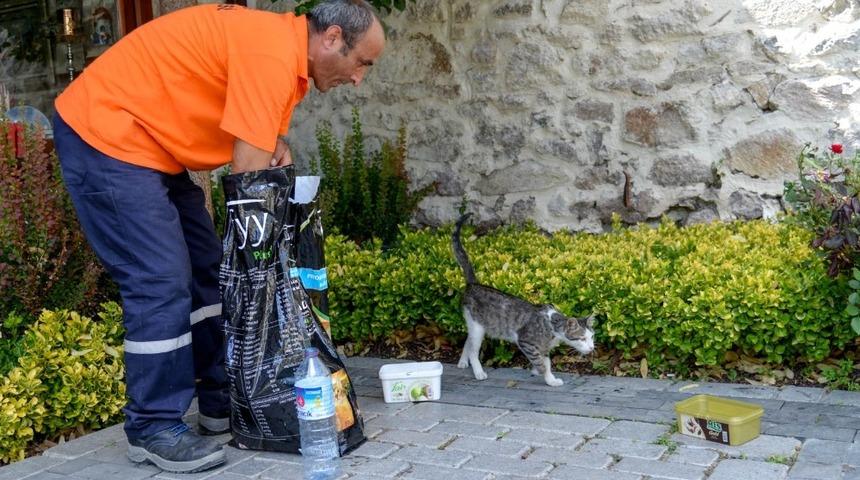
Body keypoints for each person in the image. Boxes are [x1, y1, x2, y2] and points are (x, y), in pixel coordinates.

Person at [52, 0, 385, 474]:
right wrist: (270, 270)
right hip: (105, 135)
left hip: (151, 147)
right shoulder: (271, 56)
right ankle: (152, 427)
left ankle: (218, 400)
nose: (359, 78)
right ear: (331, 38)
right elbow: (248, 183)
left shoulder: (283, 58)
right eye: (362, 63)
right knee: (161, 279)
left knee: (208, 269)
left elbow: (263, 151)